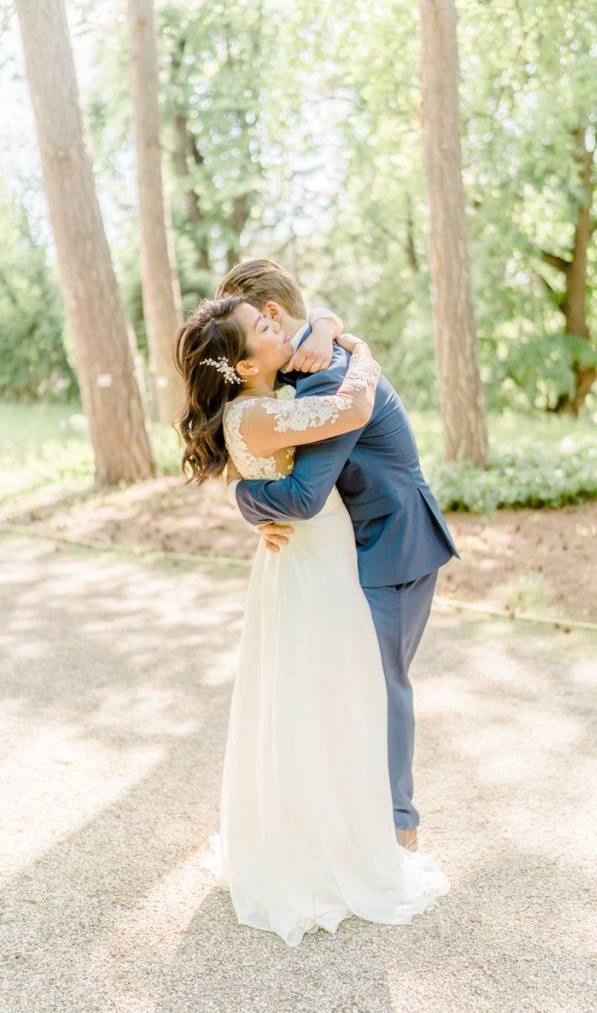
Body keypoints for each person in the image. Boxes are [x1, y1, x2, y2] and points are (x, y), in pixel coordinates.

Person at [173, 295, 451, 947]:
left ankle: (330, 828)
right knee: (334, 697)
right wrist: (362, 350)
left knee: (317, 696)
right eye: (260, 327)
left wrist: (329, 325)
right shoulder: (273, 408)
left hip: (319, 561)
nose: (276, 323)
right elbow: (325, 452)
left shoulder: (273, 396)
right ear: (241, 366)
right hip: (313, 563)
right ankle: (341, 844)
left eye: (272, 317)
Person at [215, 259, 460, 853]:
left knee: (383, 684)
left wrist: (245, 496)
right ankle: (346, 815)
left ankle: (400, 827)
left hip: (392, 544)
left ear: (273, 316)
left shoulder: (329, 375)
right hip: (351, 546)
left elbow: (300, 496)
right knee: (346, 683)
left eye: (251, 319)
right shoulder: (313, 360)